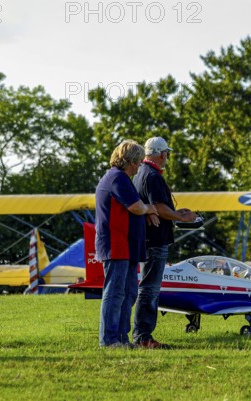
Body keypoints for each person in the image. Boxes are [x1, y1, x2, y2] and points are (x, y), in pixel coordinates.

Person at [132, 137, 197, 349]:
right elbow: (159, 207)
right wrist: (181, 217)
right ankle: (143, 337)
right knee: (150, 289)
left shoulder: (140, 172)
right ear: (161, 154)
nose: (166, 157)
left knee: (147, 287)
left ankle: (141, 335)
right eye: (166, 153)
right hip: (156, 240)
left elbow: (150, 205)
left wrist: (173, 213)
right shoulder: (153, 176)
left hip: (146, 238)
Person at [95, 140, 159, 348]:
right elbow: (136, 207)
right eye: (139, 162)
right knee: (115, 293)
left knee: (129, 292)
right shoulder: (118, 178)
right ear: (130, 161)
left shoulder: (121, 179)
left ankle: (121, 338)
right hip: (117, 245)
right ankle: (109, 339)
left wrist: (145, 210)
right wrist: (150, 209)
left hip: (127, 247)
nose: (140, 166)